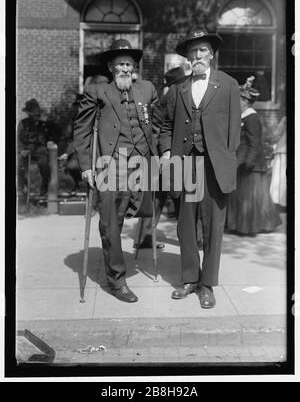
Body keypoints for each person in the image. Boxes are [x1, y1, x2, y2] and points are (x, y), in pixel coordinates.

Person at [73, 39, 163, 303]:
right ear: (111, 67)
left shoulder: (147, 89)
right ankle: (117, 280)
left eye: (129, 64)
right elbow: (82, 129)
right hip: (109, 165)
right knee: (111, 223)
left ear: (134, 67)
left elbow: (156, 125)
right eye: (120, 64)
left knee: (142, 213)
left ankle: (126, 260)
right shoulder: (97, 91)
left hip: (141, 164)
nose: (125, 68)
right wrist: (87, 166)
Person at [159, 28, 241, 309]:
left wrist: (227, 161)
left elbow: (234, 131)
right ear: (187, 57)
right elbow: (166, 125)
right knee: (186, 224)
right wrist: (167, 151)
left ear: (212, 54)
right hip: (185, 162)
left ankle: (207, 284)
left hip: (214, 165)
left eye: (203, 50)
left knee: (213, 226)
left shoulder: (228, 84)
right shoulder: (178, 88)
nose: (198, 55)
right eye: (193, 52)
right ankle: (190, 278)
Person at [133, 66, 187, 250]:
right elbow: (157, 130)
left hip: (160, 154)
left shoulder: (167, 98)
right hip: (165, 155)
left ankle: (144, 237)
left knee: (156, 198)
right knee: (182, 197)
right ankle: (194, 239)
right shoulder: (173, 98)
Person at [225, 76, 281, 235]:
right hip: (244, 162)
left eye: (239, 100)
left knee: (251, 198)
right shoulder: (245, 117)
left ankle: (250, 227)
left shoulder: (251, 118)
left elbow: (254, 143)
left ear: (245, 102)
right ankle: (246, 225)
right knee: (248, 197)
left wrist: (248, 163)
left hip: (252, 165)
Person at [18, 98, 57, 197]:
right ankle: (22, 188)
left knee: (44, 165)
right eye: (36, 115)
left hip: (39, 151)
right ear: (30, 114)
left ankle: (43, 192)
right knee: (19, 164)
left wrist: (50, 142)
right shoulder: (23, 124)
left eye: (38, 115)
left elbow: (50, 137)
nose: (38, 117)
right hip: (26, 150)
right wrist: (22, 150)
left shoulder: (43, 125)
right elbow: (18, 139)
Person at [269, 116, 287, 208]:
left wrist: (270, 140)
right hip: (283, 150)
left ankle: (280, 202)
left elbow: (277, 133)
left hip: (283, 150)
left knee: (280, 177)